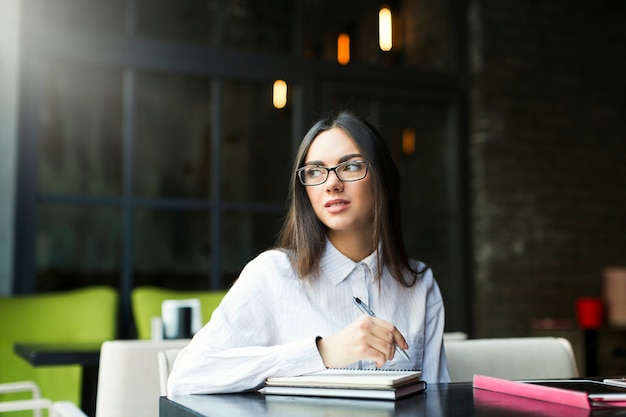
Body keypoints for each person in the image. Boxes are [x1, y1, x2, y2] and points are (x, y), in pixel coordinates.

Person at [168, 110, 450, 395]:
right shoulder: (272, 275)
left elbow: (436, 400)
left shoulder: (419, 283)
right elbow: (186, 377)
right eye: (315, 171)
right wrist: (323, 352)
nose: (331, 184)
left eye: (350, 166)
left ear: (382, 179)